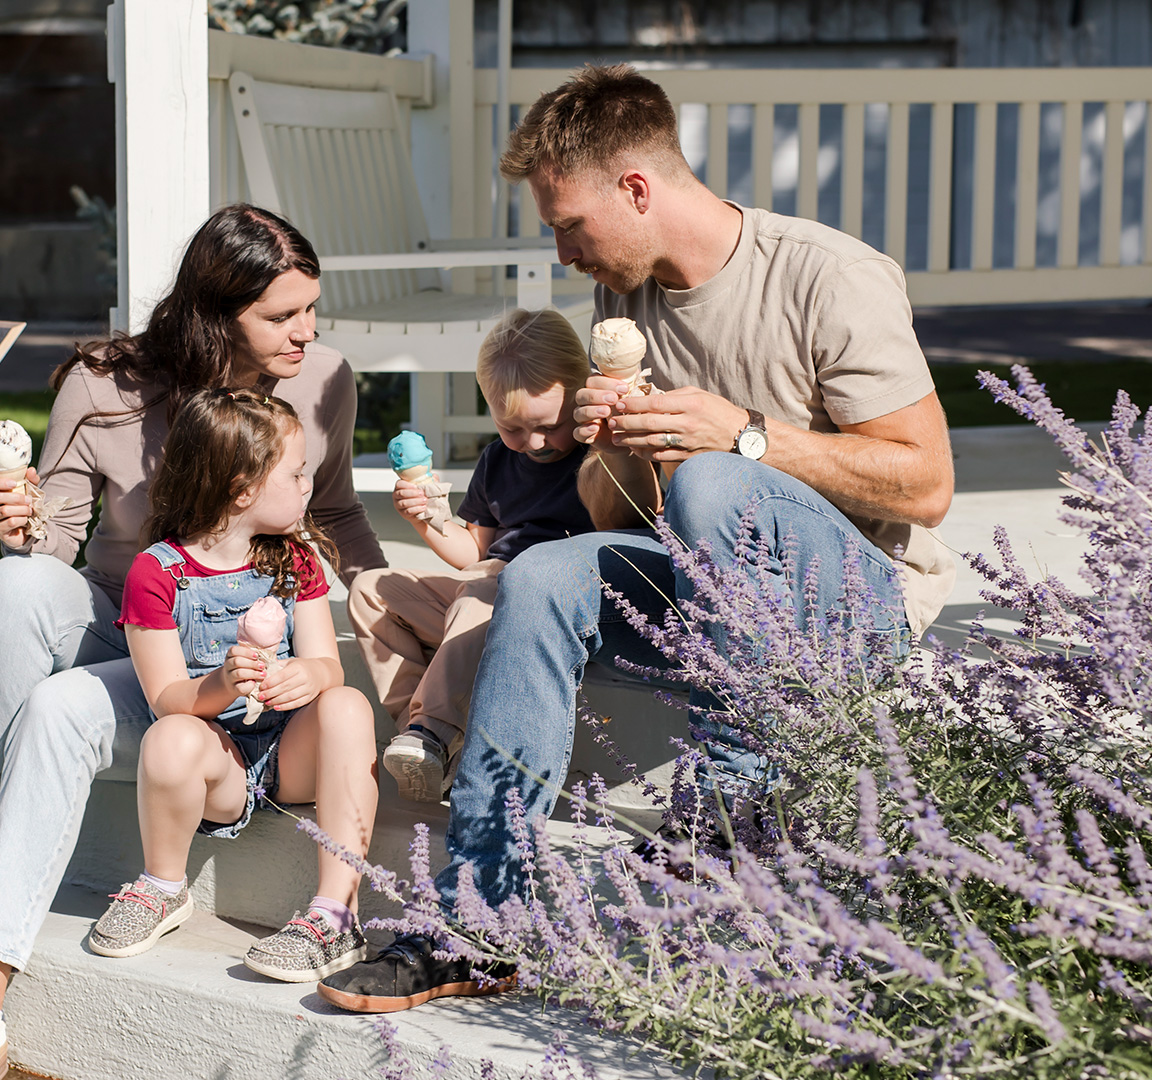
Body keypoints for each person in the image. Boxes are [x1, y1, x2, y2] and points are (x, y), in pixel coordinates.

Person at [318, 64, 956, 1014]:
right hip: (698, 587)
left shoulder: (829, 276)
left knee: (713, 477)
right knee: (537, 572)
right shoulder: (628, 302)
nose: (565, 253)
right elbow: (614, 518)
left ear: (638, 188)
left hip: (853, 596)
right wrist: (607, 446)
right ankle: (482, 918)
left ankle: (727, 808)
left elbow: (929, 482)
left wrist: (740, 436)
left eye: (570, 225)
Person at [0, 205, 385, 1080]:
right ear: (213, 313)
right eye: (281, 316)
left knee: (60, 706)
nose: (307, 334)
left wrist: (386, 610)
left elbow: (331, 509)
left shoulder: (324, 379)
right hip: (131, 636)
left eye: (312, 309)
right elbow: (55, 539)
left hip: (250, 688)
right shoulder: (102, 385)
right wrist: (18, 521)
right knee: (12, 584)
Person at [91, 388, 378, 981]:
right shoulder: (158, 572)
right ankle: (162, 886)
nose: (308, 485)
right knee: (169, 736)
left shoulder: (294, 560)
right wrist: (223, 682)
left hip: (291, 757)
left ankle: (335, 915)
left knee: (347, 705)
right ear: (243, 488)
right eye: (297, 474)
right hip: (217, 765)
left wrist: (310, 675)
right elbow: (168, 699)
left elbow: (330, 665)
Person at [347, 308, 600, 803]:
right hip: (483, 593)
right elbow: (473, 552)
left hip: (546, 605)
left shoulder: (597, 457)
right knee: (369, 591)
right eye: (512, 428)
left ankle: (434, 730)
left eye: (550, 426)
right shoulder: (497, 461)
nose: (533, 444)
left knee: (478, 595)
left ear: (581, 395)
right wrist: (425, 519)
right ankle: (426, 741)